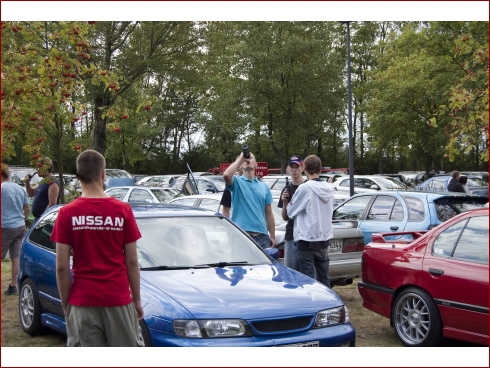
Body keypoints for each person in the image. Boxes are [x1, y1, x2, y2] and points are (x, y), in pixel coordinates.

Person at [51, 150, 144, 347]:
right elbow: (132, 261)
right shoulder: (123, 211)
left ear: (77, 177)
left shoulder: (67, 213)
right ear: (103, 175)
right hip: (117, 298)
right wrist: (136, 300)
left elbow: (60, 266)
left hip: (82, 299)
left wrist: (66, 303)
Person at [286, 155, 334, 288]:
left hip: (306, 238)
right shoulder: (330, 188)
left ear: (305, 169)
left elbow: (290, 211)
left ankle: (313, 304)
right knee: (324, 277)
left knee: (308, 280)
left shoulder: (304, 188)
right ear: (320, 168)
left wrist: (287, 202)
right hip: (323, 237)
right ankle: (328, 304)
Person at [223, 150, 275, 249]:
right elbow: (226, 175)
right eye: (244, 161)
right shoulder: (237, 182)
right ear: (241, 166)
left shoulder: (264, 186)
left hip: (262, 236)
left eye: (250, 159)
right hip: (242, 235)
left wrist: (272, 235)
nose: (247, 161)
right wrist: (241, 159)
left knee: (263, 265)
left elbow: (269, 214)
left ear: (256, 164)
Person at [1, 164, 31, 295]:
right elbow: (27, 208)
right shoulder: (19, 188)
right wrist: (22, 220)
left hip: (6, 226)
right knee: (15, 256)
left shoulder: (2, 188)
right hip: (19, 226)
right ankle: (13, 286)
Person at [277, 155, 306, 271]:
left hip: (304, 236)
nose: (294, 170)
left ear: (302, 168)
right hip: (290, 236)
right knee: (290, 272)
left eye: (297, 167)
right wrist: (285, 203)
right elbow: (285, 217)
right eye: (292, 167)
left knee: (305, 273)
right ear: (288, 169)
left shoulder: (307, 186)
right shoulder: (286, 189)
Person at [25, 157, 60, 222]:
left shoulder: (52, 183)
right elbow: (31, 193)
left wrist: (42, 220)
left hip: (43, 221)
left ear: (45, 168)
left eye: (39, 167)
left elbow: (52, 205)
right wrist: (27, 182)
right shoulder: (43, 181)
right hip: (37, 219)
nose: (37, 170)